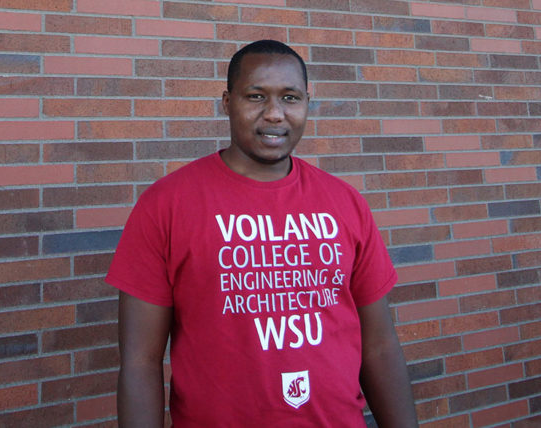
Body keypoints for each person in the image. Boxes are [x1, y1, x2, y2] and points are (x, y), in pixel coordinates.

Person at [106, 39, 419, 427]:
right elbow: (140, 361)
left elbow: (381, 347)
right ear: (226, 102)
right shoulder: (166, 205)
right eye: (256, 96)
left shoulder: (346, 203)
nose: (274, 114)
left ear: (307, 103)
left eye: (290, 97)